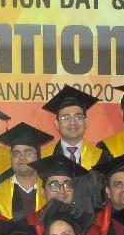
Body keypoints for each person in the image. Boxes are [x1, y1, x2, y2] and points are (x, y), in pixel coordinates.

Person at [39, 86, 108, 216]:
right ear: (56, 124)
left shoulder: (102, 158)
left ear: (86, 122)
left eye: (78, 116)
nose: (72, 122)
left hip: (92, 226)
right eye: (65, 117)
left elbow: (106, 201)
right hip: (53, 225)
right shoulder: (43, 158)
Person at [0, 122, 53, 220]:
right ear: (11, 159)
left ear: (38, 157)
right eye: (16, 153)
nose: (22, 157)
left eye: (28, 153)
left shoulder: (51, 190)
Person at [23, 155, 88, 235]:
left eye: (67, 185)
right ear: (43, 191)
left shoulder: (85, 225)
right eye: (54, 185)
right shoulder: (28, 224)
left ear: (73, 191)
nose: (62, 190)